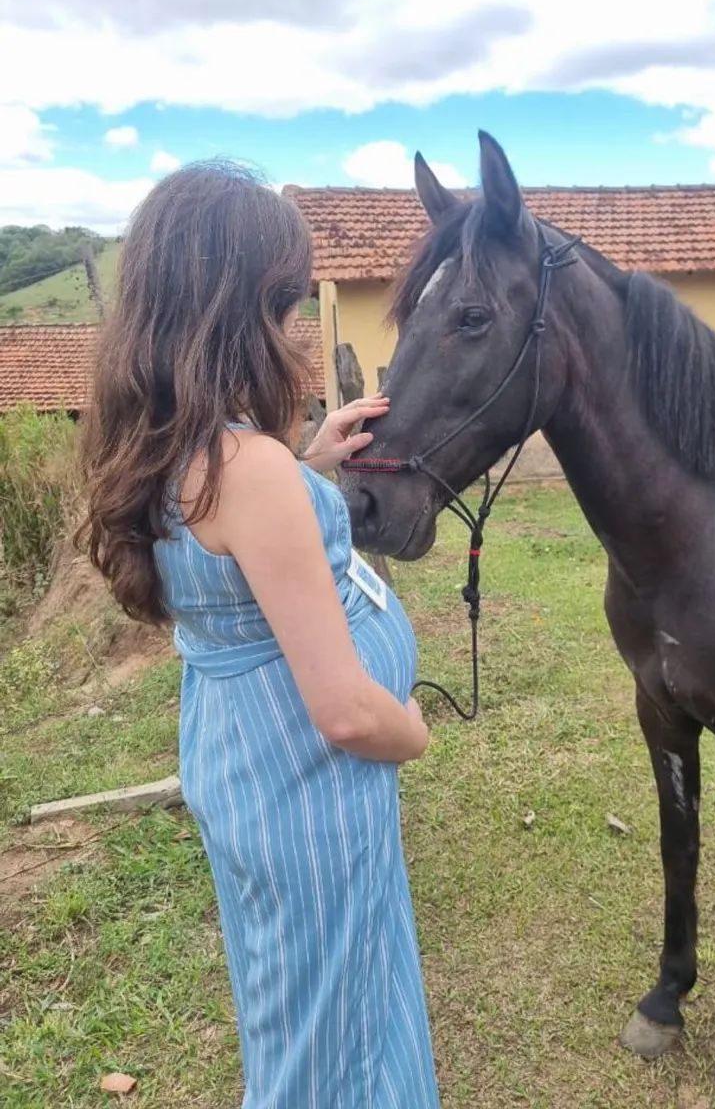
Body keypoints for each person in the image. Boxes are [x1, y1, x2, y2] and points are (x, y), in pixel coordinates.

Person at [78, 162, 439, 1108]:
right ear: (236, 309)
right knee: (338, 1043)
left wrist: (309, 466)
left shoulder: (166, 444)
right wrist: (414, 725)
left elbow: (231, 552)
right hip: (310, 788)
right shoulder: (252, 471)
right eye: (283, 306)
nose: (290, 334)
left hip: (245, 765)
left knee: (296, 1010)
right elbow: (349, 714)